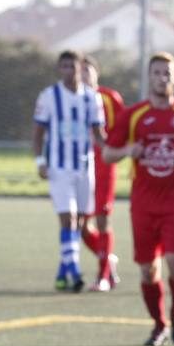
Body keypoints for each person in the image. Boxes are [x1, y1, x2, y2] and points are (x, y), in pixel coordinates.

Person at [102, 52, 174, 346]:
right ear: (149, 77)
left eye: (167, 73)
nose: (162, 78)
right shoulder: (133, 115)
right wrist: (128, 151)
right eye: (157, 72)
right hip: (144, 205)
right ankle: (158, 324)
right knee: (148, 270)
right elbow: (108, 153)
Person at [32, 50, 107, 292]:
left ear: (79, 68)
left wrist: (113, 149)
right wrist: (40, 161)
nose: (67, 71)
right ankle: (74, 271)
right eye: (63, 66)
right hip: (59, 167)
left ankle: (62, 273)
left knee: (81, 222)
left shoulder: (92, 98)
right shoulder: (49, 96)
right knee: (68, 218)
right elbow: (38, 132)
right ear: (59, 69)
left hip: (85, 167)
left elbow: (98, 133)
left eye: (71, 66)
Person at [80, 56, 124, 292]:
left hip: (103, 167)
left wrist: (113, 149)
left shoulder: (109, 98)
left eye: (87, 71)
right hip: (78, 167)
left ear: (96, 73)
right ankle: (108, 259)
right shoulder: (72, 99)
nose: (83, 75)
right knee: (80, 225)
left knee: (102, 219)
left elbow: (121, 129)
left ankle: (103, 276)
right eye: (80, 71)